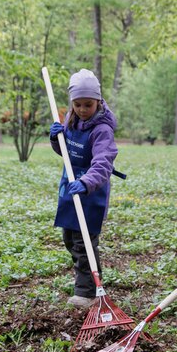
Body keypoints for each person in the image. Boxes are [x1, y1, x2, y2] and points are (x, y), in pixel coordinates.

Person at [49, 69, 118, 309]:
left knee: (83, 241)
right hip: (70, 186)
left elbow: (103, 163)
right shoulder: (72, 120)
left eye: (88, 104)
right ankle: (86, 279)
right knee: (69, 237)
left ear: (98, 101)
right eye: (77, 104)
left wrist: (87, 182)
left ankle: (87, 293)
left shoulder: (102, 129)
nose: (82, 109)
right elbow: (67, 153)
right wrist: (57, 139)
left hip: (91, 192)